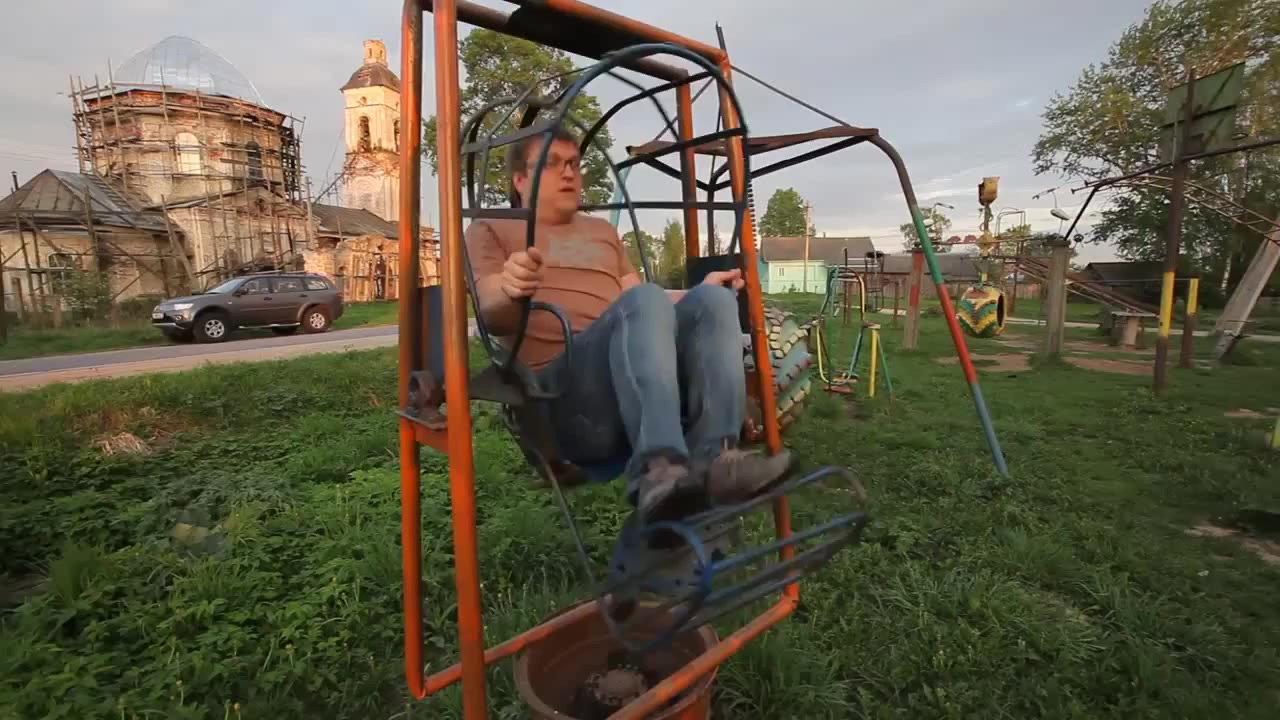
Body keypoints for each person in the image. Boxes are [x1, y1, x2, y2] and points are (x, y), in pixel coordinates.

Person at [466, 126, 794, 525]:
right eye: (552, 163)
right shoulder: (492, 227)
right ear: (520, 180)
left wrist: (698, 293)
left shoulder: (602, 232)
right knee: (644, 300)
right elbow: (489, 309)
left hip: (627, 378)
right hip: (561, 400)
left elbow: (642, 302)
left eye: (574, 163)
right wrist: (509, 287)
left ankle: (716, 461)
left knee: (714, 300)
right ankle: (659, 469)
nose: (568, 172)